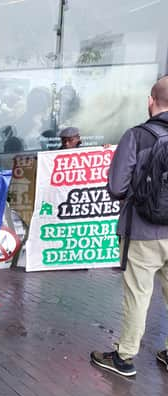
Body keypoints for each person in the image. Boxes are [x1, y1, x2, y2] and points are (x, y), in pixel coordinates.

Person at [90, 76, 168, 377]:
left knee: (138, 293)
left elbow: (116, 187)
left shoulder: (137, 136)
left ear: (151, 100)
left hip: (143, 231)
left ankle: (124, 357)